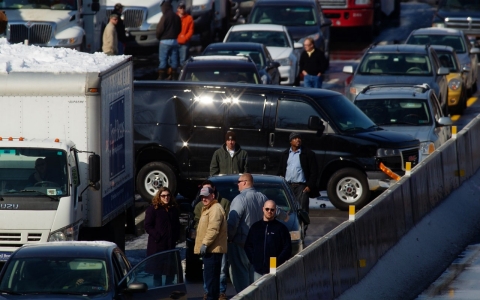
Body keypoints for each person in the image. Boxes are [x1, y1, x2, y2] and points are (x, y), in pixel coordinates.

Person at [227, 173, 267, 293]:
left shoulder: (240, 199)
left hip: (241, 245)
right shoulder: (263, 197)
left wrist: (230, 238)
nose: (237, 185)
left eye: (238, 182)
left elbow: (232, 223)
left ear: (245, 182)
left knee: (241, 280)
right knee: (255, 281)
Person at [193, 180, 230, 300]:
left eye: (206, 196)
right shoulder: (207, 208)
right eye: (202, 197)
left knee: (212, 283)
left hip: (213, 251)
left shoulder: (215, 208)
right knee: (210, 282)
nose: (204, 199)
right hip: (208, 251)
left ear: (213, 195)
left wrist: (205, 244)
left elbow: (213, 228)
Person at [244, 200, 292, 280]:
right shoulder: (255, 227)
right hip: (258, 270)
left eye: (272, 209)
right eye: (267, 209)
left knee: (273, 291)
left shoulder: (281, 228)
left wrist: (278, 261)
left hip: (274, 269)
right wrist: (254, 260)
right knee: (258, 291)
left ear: (275, 211)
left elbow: (287, 248)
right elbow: (248, 245)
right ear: (263, 209)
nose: (269, 211)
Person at [145, 187, 180, 286]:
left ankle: (168, 292)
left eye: (168, 195)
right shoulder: (153, 209)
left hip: (170, 246)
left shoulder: (173, 209)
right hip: (157, 246)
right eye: (163, 196)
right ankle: (158, 293)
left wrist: (176, 237)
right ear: (159, 196)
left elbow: (177, 225)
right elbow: (147, 225)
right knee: (158, 273)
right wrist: (157, 236)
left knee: (170, 273)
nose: (166, 198)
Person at [277, 132, 319, 214]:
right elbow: (281, 170)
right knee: (287, 209)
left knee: (302, 209)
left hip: (301, 187)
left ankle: (302, 226)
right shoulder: (285, 154)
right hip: (288, 186)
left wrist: (309, 186)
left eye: (299, 138)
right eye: (295, 138)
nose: (298, 140)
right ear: (290, 142)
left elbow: (314, 171)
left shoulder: (308, 154)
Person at [156, 0, 181, 80]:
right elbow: (179, 28)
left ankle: (161, 77)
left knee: (163, 59)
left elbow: (160, 29)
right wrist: (175, 35)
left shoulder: (164, 17)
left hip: (164, 41)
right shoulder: (176, 16)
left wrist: (158, 37)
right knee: (174, 59)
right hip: (174, 40)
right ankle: (174, 76)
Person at [176, 2, 194, 67]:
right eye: (180, 8)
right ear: (177, 9)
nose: (182, 9)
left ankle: (182, 75)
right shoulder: (175, 17)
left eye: (183, 7)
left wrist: (185, 38)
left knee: (183, 62)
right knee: (173, 61)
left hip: (184, 43)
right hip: (175, 42)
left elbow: (191, 31)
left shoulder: (189, 18)